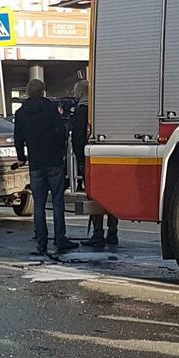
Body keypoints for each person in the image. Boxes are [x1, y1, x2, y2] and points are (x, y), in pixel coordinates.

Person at [13, 78, 73, 256]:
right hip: (53, 160)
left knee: (38, 205)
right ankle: (60, 239)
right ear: (43, 91)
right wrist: (60, 150)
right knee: (57, 202)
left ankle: (41, 243)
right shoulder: (50, 108)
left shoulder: (21, 113)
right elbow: (61, 131)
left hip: (36, 163)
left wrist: (22, 158)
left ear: (28, 92)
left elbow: (18, 138)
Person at [71, 84, 118, 249]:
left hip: (91, 158)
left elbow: (77, 139)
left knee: (96, 196)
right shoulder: (102, 109)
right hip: (111, 156)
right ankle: (113, 232)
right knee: (112, 196)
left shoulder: (82, 111)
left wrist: (80, 161)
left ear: (82, 93)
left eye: (76, 92)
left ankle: (98, 233)